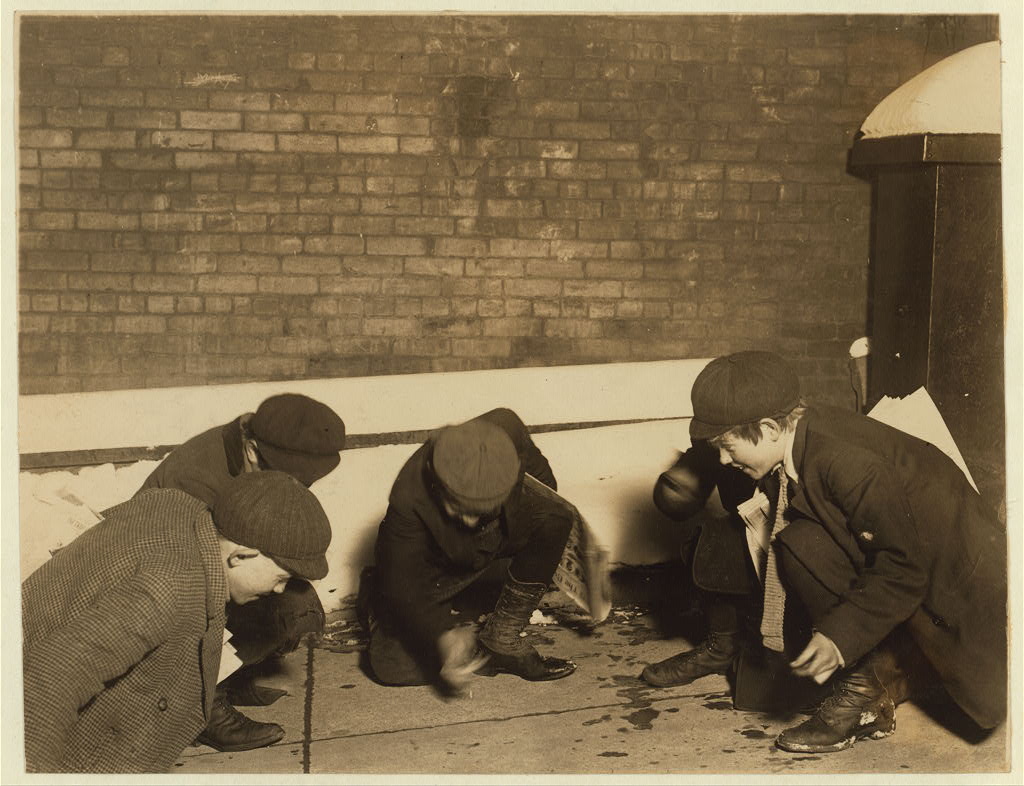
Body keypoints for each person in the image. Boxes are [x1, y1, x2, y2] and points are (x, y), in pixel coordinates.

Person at [688, 350, 1006, 753]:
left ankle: (888, 677)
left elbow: (905, 568)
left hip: (966, 584)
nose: (722, 459)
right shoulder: (800, 439)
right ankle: (878, 675)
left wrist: (839, 637)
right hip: (921, 562)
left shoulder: (843, 461)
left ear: (769, 428)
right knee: (800, 543)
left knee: (989, 699)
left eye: (728, 446)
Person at [22, 472, 332, 773]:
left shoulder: (175, 504)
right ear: (241, 555)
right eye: (281, 577)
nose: (279, 590)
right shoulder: (170, 589)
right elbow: (49, 681)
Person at [137, 392, 345, 751]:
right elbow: (193, 588)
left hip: (213, 571)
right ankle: (202, 707)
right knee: (243, 599)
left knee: (299, 607)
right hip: (166, 587)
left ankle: (230, 677)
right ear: (252, 451)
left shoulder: (257, 454)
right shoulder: (195, 480)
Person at [362, 408, 577, 692]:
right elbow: (405, 585)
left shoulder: (506, 428)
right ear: (439, 487)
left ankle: (504, 637)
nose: (469, 521)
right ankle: (374, 599)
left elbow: (545, 487)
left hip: (489, 538)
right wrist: (441, 638)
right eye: (460, 509)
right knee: (390, 666)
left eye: (479, 510)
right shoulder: (408, 498)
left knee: (555, 515)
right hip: (434, 566)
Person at [639, 441, 757, 687]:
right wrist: (681, 483)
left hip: (805, 534)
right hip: (758, 524)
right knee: (712, 540)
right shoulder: (722, 419)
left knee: (763, 691)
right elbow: (703, 457)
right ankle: (721, 647)